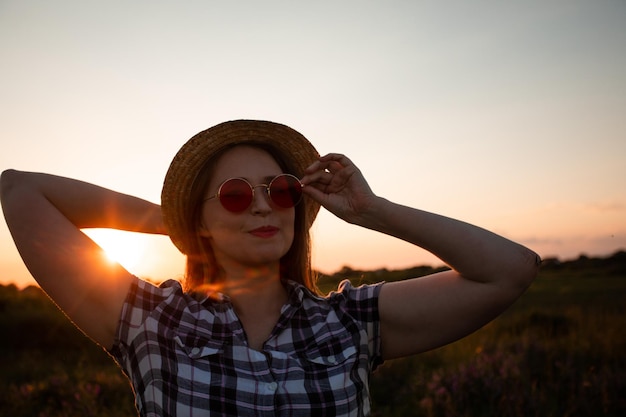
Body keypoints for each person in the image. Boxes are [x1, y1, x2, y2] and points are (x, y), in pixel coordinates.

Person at [1, 120, 540, 416]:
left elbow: (510, 270)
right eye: (236, 195)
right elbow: (21, 189)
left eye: (280, 190)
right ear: (203, 218)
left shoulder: (350, 322)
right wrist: (185, 218)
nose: (263, 206)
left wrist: (373, 211)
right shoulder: (148, 321)